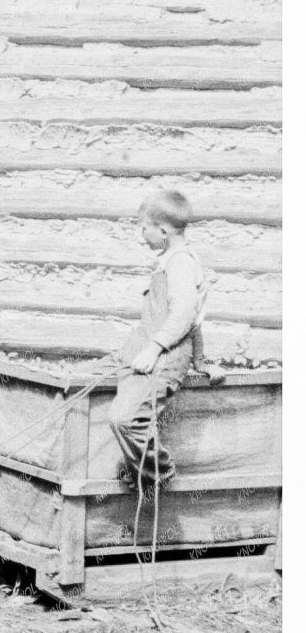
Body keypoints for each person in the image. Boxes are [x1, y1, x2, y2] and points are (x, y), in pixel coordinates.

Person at [108, 187, 210, 487]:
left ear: (163, 231)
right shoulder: (168, 262)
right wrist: (201, 359)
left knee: (123, 419)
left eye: (144, 228)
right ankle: (132, 463)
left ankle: (156, 472)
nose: (142, 235)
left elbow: (185, 316)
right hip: (144, 349)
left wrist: (153, 349)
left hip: (164, 357)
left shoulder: (181, 263)